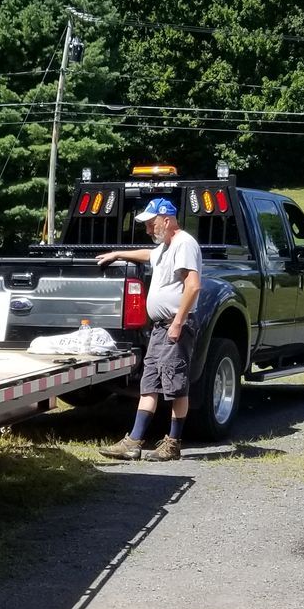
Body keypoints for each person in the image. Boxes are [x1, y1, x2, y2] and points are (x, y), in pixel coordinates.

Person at [98, 197, 202, 461]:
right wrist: (118, 253)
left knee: (176, 386)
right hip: (160, 328)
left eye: (151, 224)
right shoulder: (166, 247)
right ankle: (133, 442)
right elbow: (148, 254)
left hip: (174, 326)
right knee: (149, 384)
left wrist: (178, 322)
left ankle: (173, 443)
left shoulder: (184, 244)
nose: (147, 229)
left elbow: (193, 286)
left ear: (166, 220)